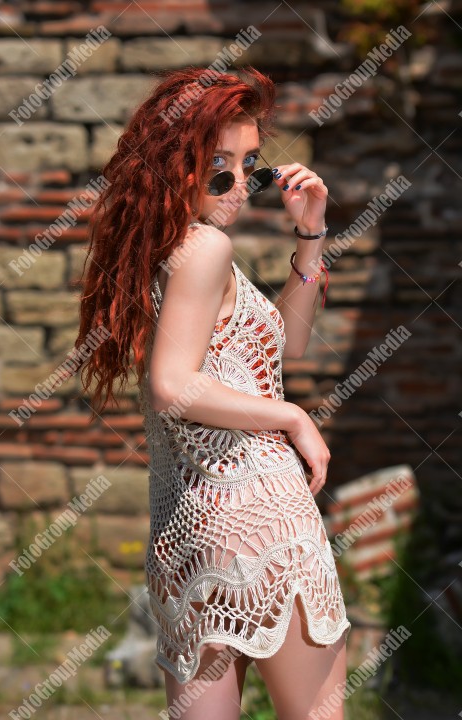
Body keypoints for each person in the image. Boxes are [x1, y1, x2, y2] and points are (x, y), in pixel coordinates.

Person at [75, 65, 351, 720]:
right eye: (216, 167)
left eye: (249, 164)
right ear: (177, 167)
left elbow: (286, 346)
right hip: (263, 520)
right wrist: (291, 415)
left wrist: (309, 238)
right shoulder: (206, 249)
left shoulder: (157, 251)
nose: (237, 185)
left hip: (185, 539)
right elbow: (175, 385)